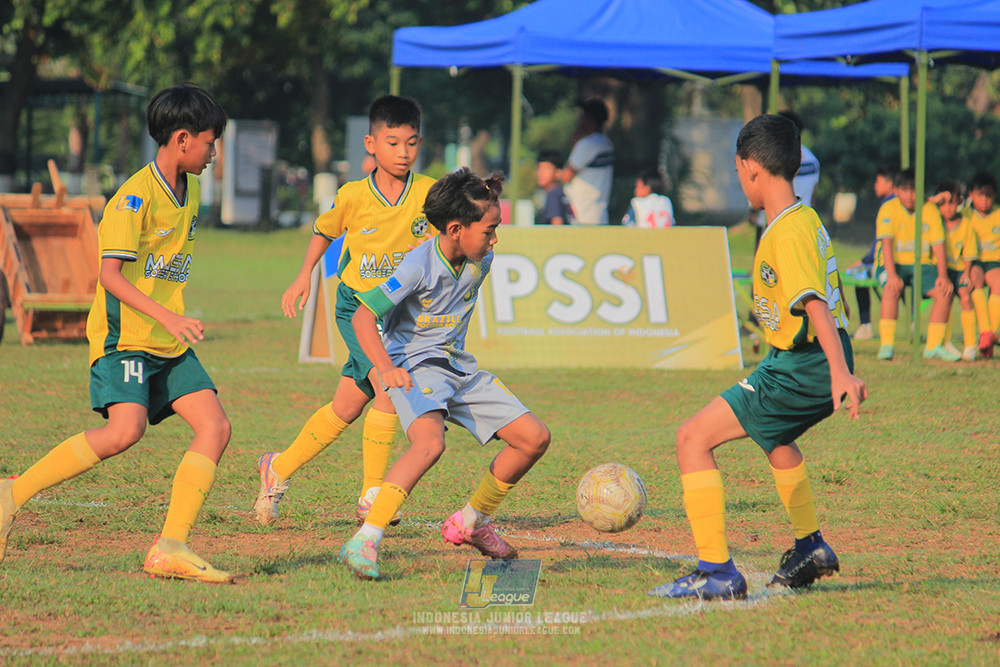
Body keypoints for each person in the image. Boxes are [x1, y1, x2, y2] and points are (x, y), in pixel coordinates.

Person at [0, 84, 233, 582]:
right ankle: (11, 494)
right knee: (124, 431)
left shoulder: (188, 190)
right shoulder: (132, 198)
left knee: (215, 427)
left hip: (166, 342)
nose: (215, 153)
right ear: (183, 139)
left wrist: (170, 321)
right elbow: (109, 277)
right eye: (211, 143)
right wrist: (168, 316)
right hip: (125, 338)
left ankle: (170, 546)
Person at [648, 114, 866, 601]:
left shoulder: (786, 234)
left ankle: (717, 571)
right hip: (797, 358)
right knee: (778, 439)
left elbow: (816, 303)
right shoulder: (802, 217)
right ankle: (810, 546)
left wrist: (840, 372)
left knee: (691, 438)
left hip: (806, 364)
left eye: (737, 170)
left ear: (749, 168)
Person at [338, 168, 551, 579]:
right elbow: (364, 317)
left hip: (458, 367)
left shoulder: (480, 261)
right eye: (489, 231)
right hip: (413, 368)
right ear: (455, 229)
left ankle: (472, 522)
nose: (494, 241)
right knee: (429, 445)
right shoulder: (417, 266)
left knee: (534, 438)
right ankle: (364, 539)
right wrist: (385, 369)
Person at [254, 95, 436, 526]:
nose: (403, 152)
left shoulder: (430, 192)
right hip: (358, 310)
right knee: (391, 388)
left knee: (346, 408)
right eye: (393, 143)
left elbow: (448, 231)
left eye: (411, 143)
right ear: (371, 144)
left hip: (400, 316)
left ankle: (276, 467)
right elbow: (323, 231)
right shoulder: (353, 195)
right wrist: (303, 276)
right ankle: (372, 495)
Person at [875, 168, 954, 361]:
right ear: (897, 190)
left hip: (922, 265)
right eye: (905, 190)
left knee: (945, 292)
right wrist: (891, 274)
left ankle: (933, 346)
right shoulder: (889, 208)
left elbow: (938, 245)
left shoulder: (929, 210)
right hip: (893, 264)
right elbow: (886, 244)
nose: (910, 195)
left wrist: (943, 276)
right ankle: (887, 345)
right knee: (890, 289)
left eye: (914, 190)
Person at [928, 180, 979, 360]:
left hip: (958, 270)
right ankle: (944, 341)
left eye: (952, 202)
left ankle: (970, 344)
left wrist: (967, 272)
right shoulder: (934, 221)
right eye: (942, 204)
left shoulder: (966, 225)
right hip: (940, 270)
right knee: (945, 299)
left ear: (959, 202)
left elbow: (969, 252)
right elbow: (924, 206)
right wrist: (934, 201)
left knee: (965, 296)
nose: (948, 208)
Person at [848, 165, 896, 341]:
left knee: (858, 276)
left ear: (889, 183)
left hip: (887, 264)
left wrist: (865, 261)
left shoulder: (889, 204)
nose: (875, 186)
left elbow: (881, 241)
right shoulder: (895, 202)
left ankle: (866, 326)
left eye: (877, 182)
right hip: (897, 262)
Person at [964, 171, 1000, 358]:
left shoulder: (998, 214)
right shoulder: (965, 214)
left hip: (994, 262)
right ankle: (987, 331)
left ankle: (990, 335)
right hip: (974, 261)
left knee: (999, 282)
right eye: (980, 195)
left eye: (989, 195)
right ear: (971, 194)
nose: (985, 200)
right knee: (974, 279)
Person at [562, 98, 614, 225]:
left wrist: (575, 144)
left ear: (590, 119)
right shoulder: (607, 143)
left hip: (581, 213)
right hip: (599, 212)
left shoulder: (587, 144)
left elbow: (566, 176)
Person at [535, 150, 573, 225]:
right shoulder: (559, 192)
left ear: (558, 173)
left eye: (546, 168)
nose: (541, 172)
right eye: (539, 168)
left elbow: (557, 224)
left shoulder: (553, 194)